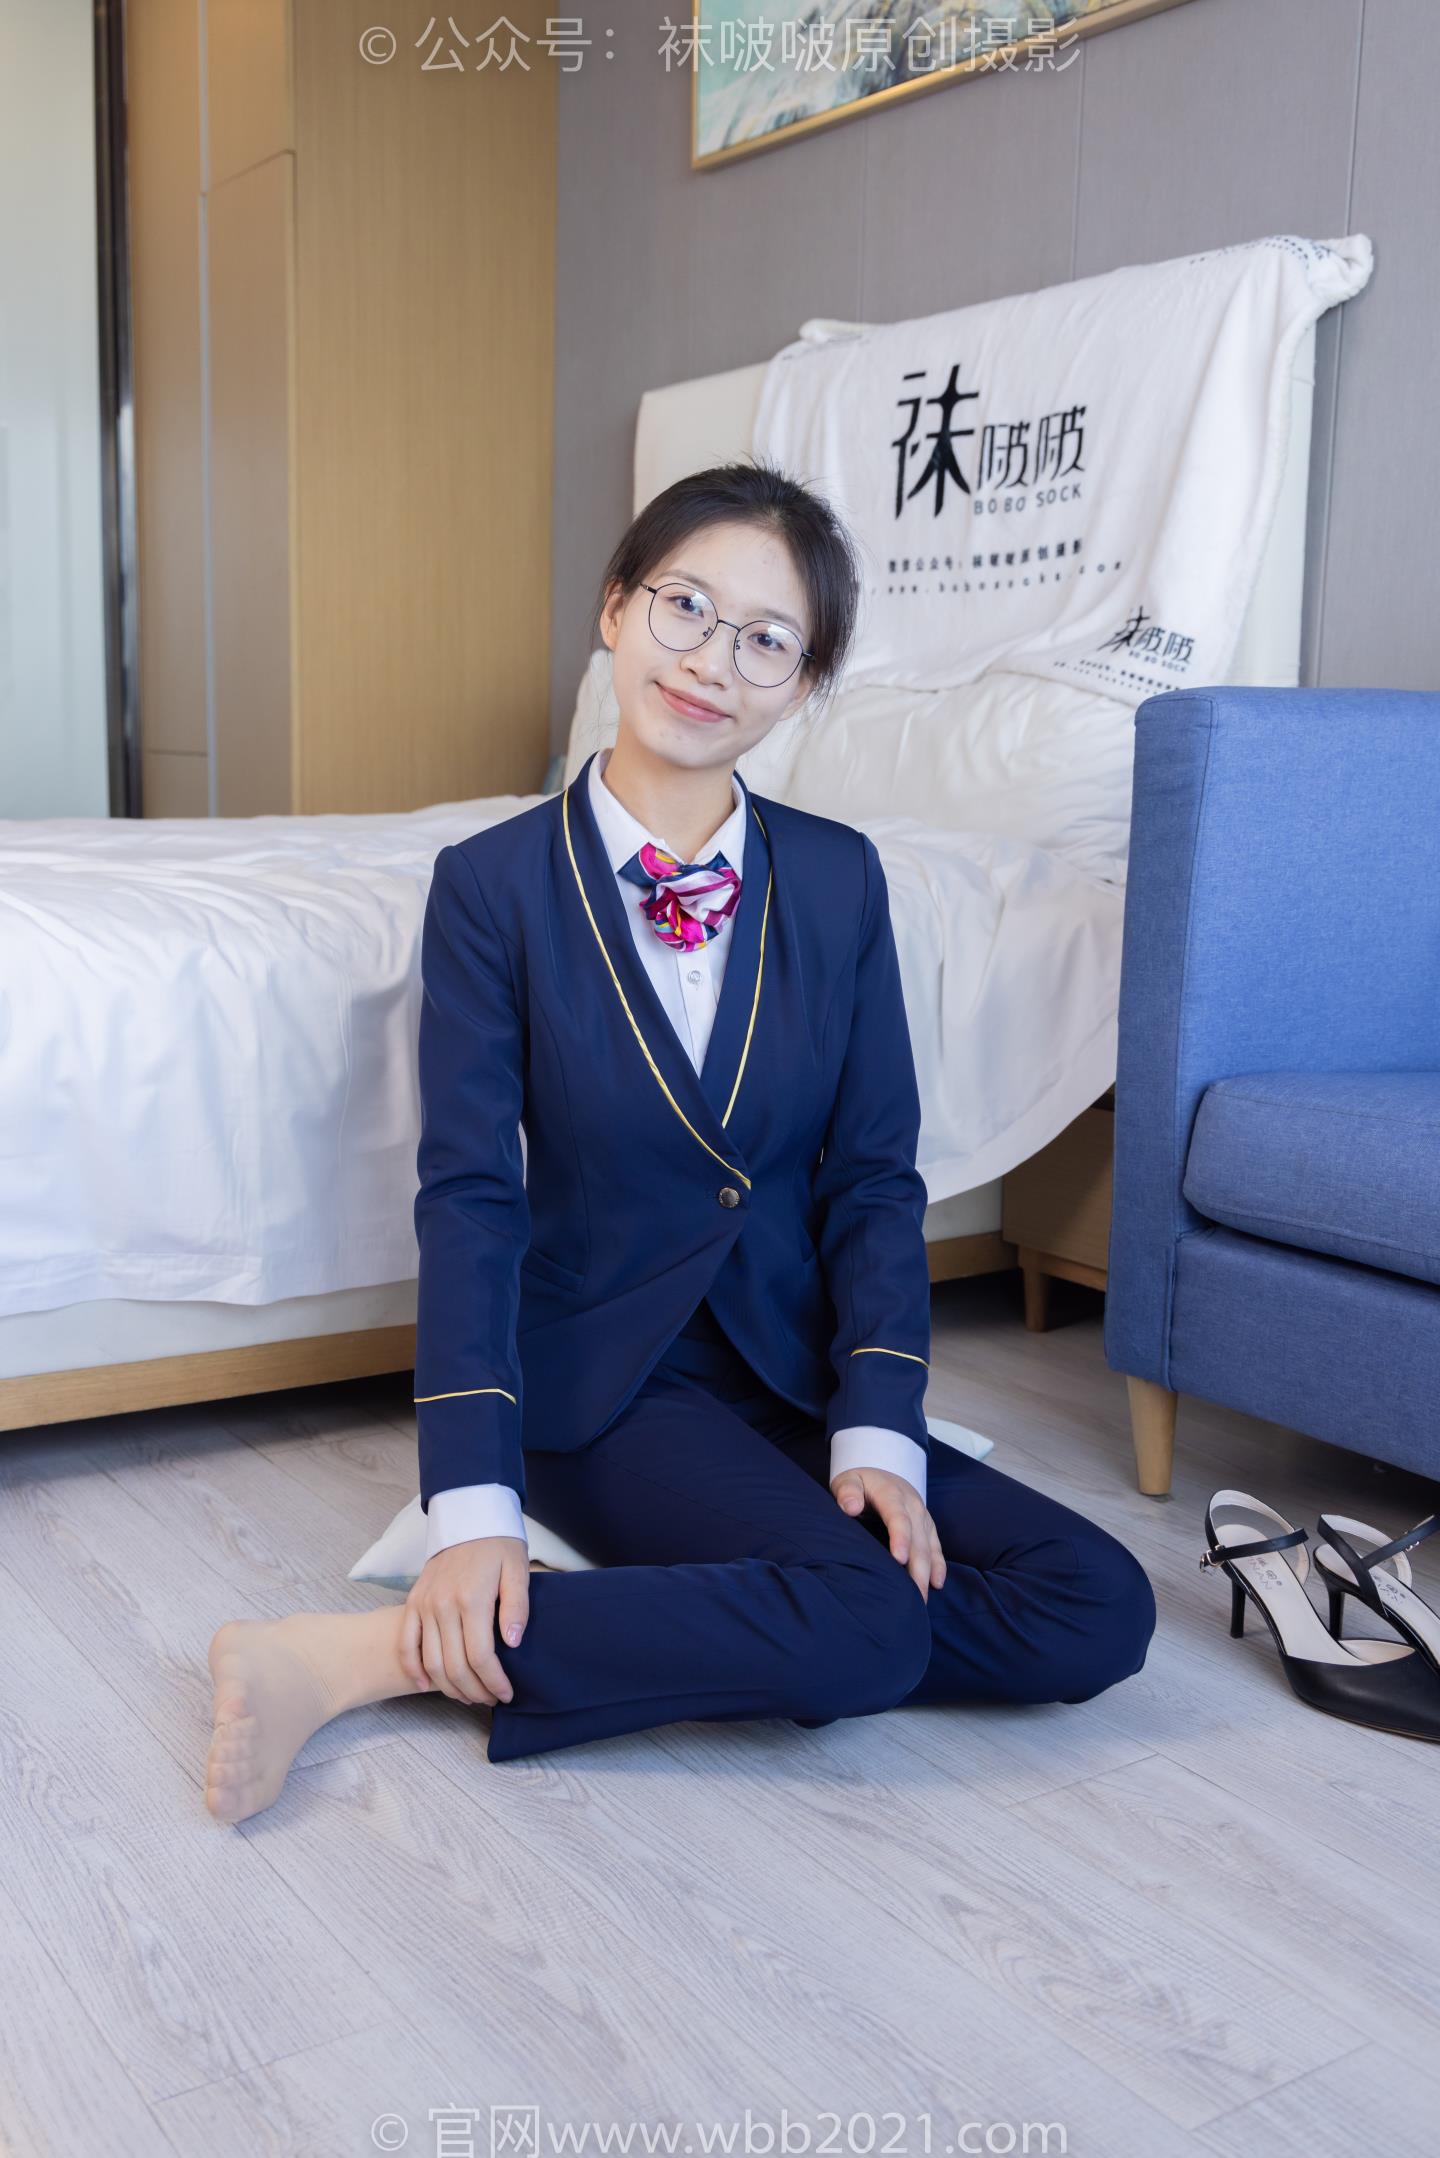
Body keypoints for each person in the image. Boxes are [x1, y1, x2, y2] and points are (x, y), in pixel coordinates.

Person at [204, 460, 1156, 1823]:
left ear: (805, 685)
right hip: (600, 1381)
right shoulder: (491, 887)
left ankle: (581, 1630)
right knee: (866, 1623)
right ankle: (362, 1656)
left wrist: (878, 1424)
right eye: (686, 606)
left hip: (789, 1369)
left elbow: (874, 1179)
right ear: (615, 608)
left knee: (1099, 1602)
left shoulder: (838, 879)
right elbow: (469, 1198)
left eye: (768, 640)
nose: (713, 660)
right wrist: (471, 1508)